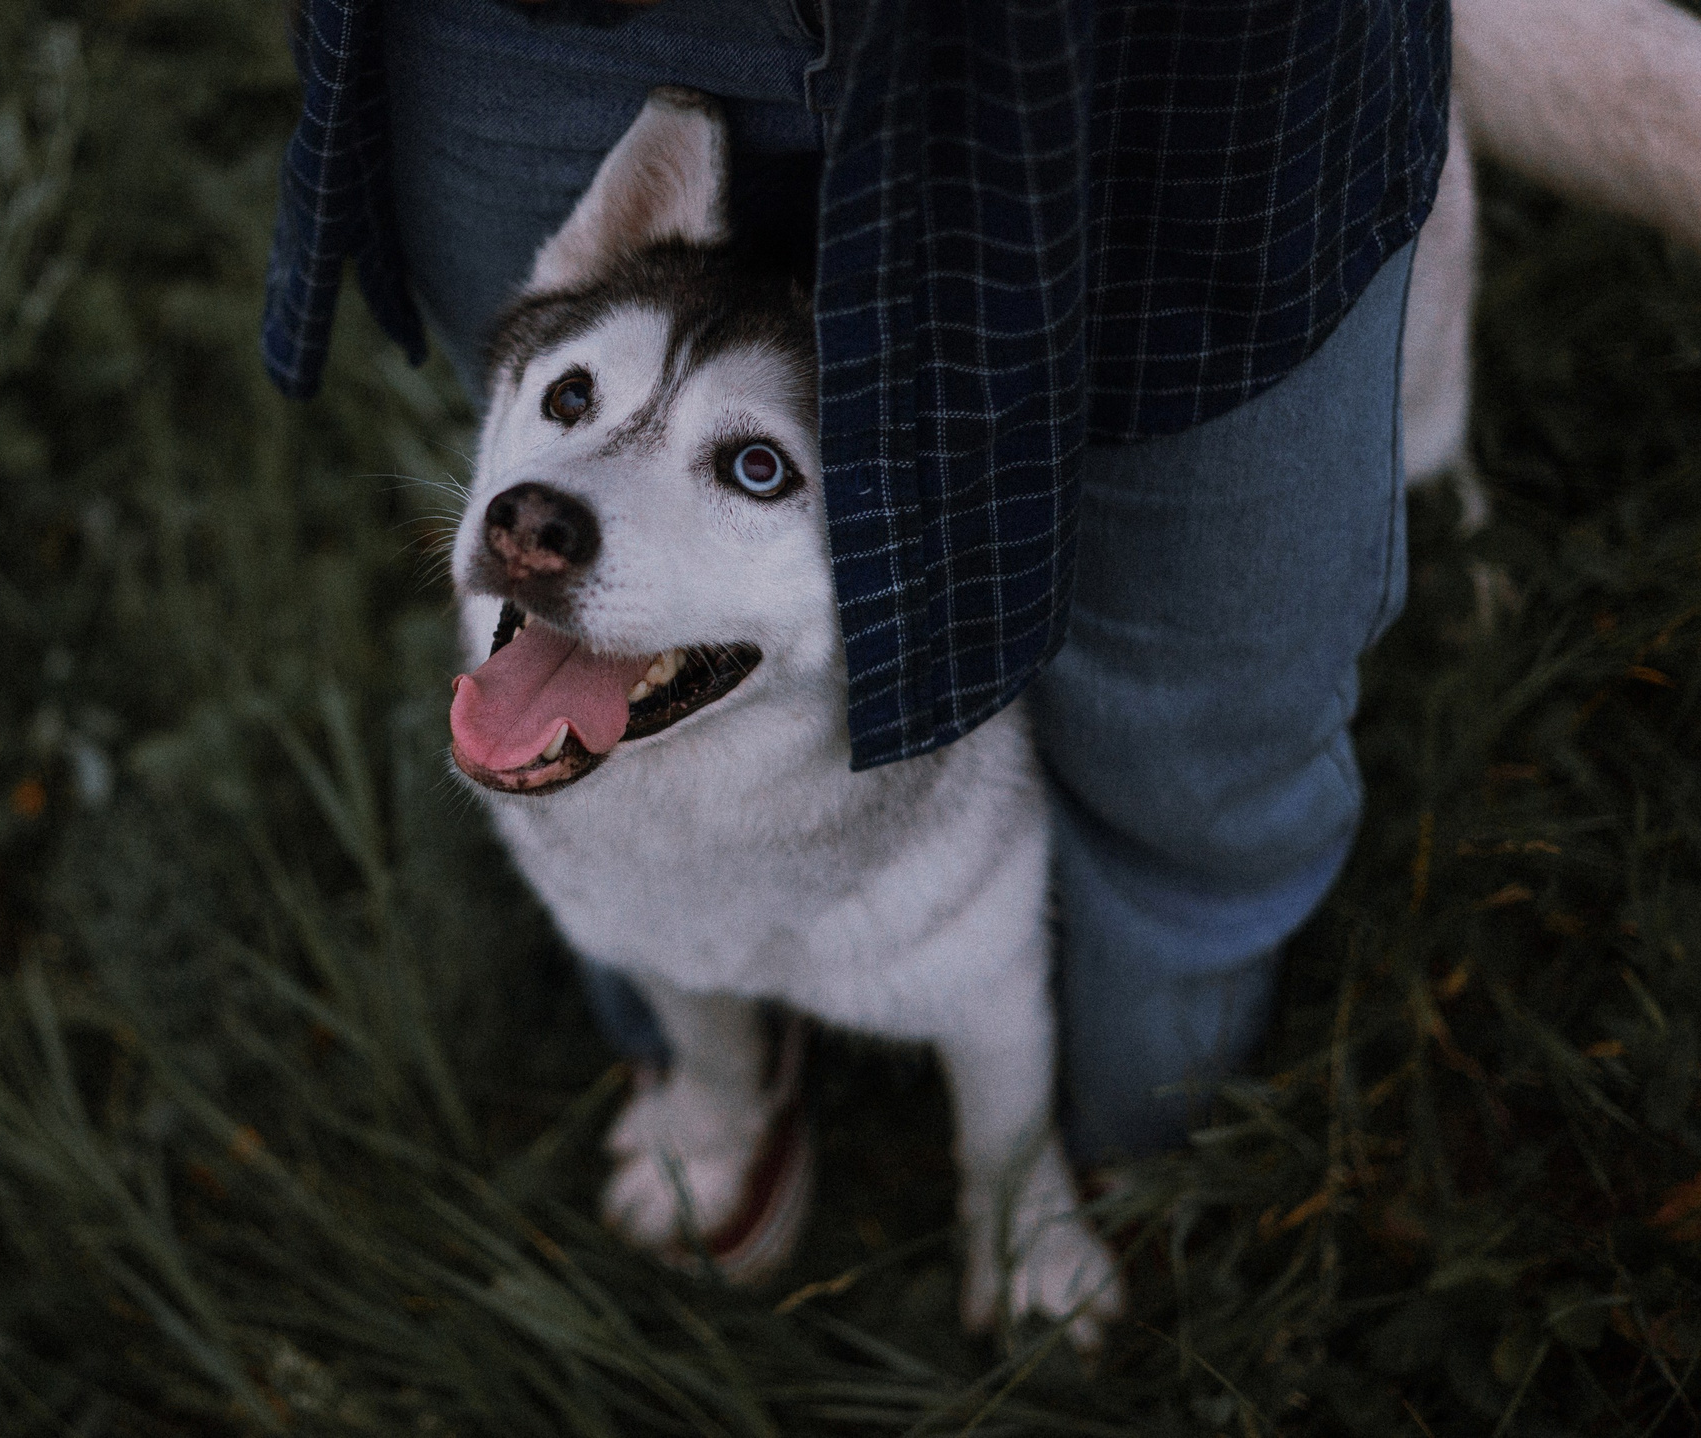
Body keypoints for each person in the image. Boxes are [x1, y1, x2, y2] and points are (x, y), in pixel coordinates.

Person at [263, 0, 1449, 1161]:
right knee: (618, 899)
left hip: (1151, 58)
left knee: (1208, 748)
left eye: (753, 464)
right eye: (571, 398)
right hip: (551, 21)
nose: (546, 510)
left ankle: (1133, 1166)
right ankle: (720, 1095)